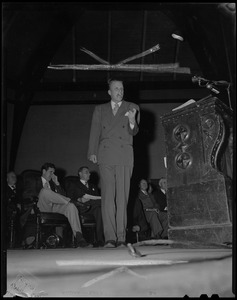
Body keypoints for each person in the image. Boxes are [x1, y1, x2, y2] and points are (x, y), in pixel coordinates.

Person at [88, 78, 140, 248]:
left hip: (124, 155)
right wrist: (92, 152)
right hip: (106, 154)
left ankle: (121, 237)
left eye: (122, 88)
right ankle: (110, 238)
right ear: (109, 92)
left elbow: (134, 131)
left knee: (122, 198)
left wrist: (132, 120)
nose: (120, 91)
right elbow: (95, 131)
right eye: (116, 89)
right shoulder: (100, 109)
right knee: (108, 198)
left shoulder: (132, 107)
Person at [25, 162, 92, 247]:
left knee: (71, 206)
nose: (53, 175)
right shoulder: (34, 181)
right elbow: (26, 195)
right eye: (51, 172)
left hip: (54, 208)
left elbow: (62, 196)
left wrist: (57, 183)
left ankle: (79, 237)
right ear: (44, 171)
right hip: (40, 206)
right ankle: (72, 201)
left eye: (54, 172)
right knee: (45, 191)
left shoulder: (53, 183)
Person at [66, 166, 104, 247]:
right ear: (80, 174)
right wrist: (79, 199)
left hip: (92, 208)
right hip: (80, 208)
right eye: (86, 172)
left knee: (99, 210)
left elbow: (96, 198)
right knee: (102, 203)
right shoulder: (73, 184)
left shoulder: (93, 186)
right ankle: (108, 202)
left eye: (89, 172)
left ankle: (100, 240)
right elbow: (69, 198)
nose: (89, 174)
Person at [6, 171, 22, 247]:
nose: (14, 178)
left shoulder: (20, 190)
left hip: (19, 213)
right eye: (12, 176)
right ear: (7, 179)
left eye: (15, 176)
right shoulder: (5, 190)